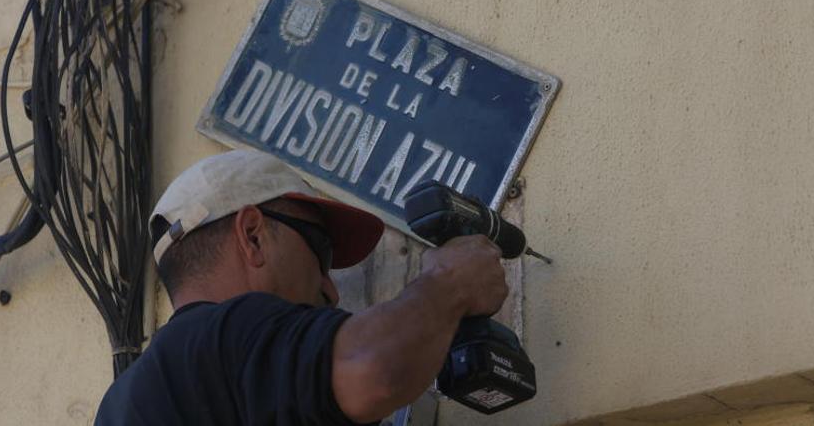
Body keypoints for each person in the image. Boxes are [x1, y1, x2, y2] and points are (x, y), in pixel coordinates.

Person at [94, 149, 508, 425]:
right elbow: (374, 369)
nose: (331, 290)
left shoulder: (118, 407)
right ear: (252, 235)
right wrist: (449, 282)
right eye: (321, 252)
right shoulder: (224, 335)